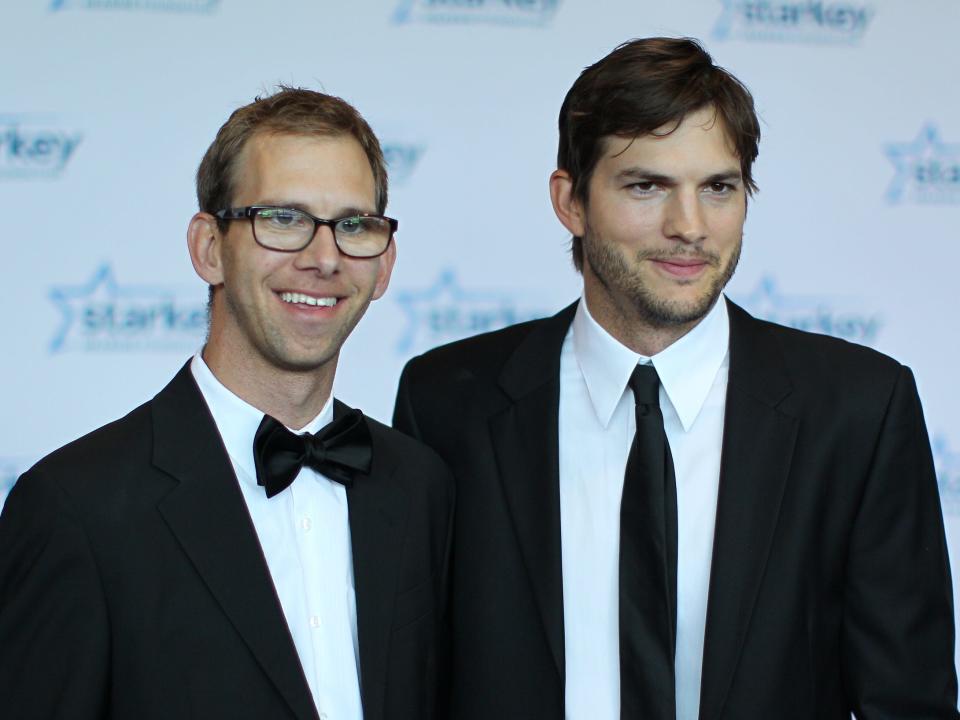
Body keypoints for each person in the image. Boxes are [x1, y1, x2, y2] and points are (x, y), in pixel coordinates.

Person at [393, 37, 958, 719]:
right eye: (647, 186)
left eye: (718, 187)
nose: (689, 227)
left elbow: (909, 701)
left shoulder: (859, 410)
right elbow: (413, 682)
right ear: (571, 201)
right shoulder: (448, 402)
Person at [0, 88, 453, 720]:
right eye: (283, 219)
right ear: (209, 247)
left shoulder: (421, 486)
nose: (323, 258)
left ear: (383, 264)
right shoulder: (76, 508)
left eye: (353, 225)